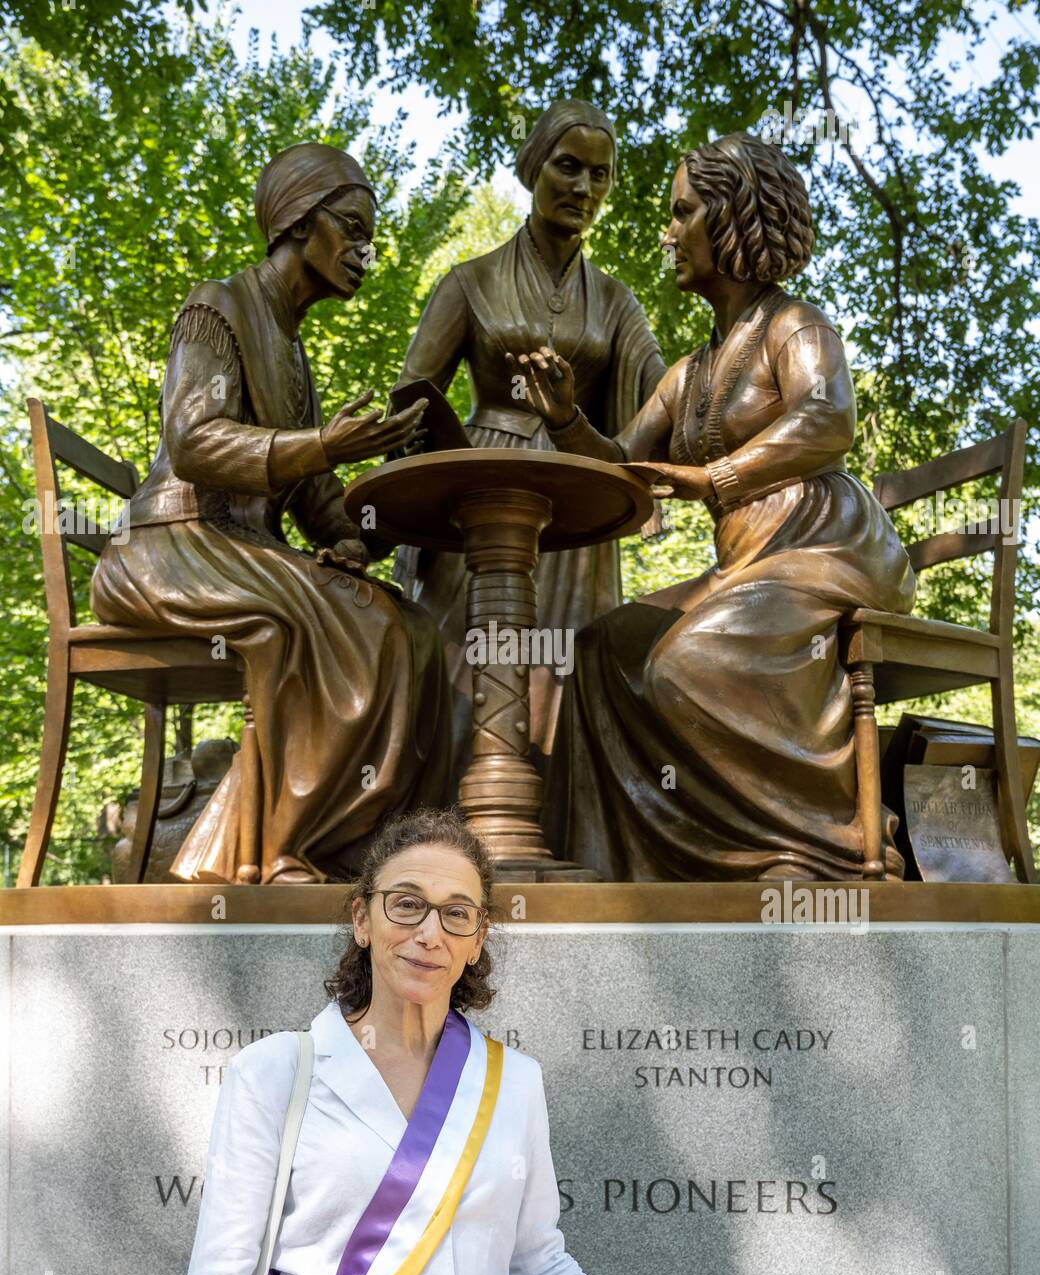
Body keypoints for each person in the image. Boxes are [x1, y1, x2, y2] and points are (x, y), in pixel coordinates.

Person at [513, 132, 916, 882]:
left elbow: (829, 418)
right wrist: (568, 418)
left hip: (826, 548)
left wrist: (718, 478)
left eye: (682, 213)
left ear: (732, 218)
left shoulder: (795, 325)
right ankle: (629, 871)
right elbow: (623, 464)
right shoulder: (689, 371)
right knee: (602, 650)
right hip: (750, 565)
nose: (667, 233)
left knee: (688, 661)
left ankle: (822, 847)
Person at [90, 143, 451, 885]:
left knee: (412, 626)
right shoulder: (216, 305)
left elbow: (310, 495)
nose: (364, 252)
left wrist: (355, 535)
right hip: (168, 546)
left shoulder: (292, 352)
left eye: (367, 236)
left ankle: (349, 838)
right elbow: (193, 441)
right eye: (350, 229)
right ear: (296, 222)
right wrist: (323, 443)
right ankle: (263, 848)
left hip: (237, 549)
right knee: (345, 622)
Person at [183, 808, 600, 1275]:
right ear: (363, 919)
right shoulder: (273, 1073)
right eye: (406, 905)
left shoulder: (514, 1081)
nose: (430, 934)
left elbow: (537, 1267)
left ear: (477, 940)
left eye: (457, 914)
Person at [392, 99, 666, 781]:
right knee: (464, 655)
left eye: (599, 176)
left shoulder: (615, 302)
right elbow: (411, 401)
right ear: (532, 167)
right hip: (483, 490)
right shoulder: (471, 281)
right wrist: (409, 503)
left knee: (569, 664)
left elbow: (667, 398)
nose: (583, 189)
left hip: (576, 495)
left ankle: (561, 825)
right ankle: (453, 819)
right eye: (567, 167)